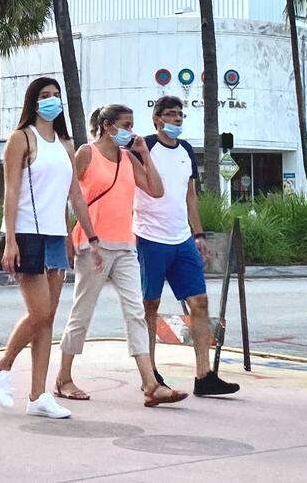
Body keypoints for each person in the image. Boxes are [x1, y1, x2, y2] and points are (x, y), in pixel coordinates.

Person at [54, 104, 188, 408]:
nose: (131, 130)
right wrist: (86, 237)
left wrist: (144, 153)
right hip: (93, 246)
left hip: (126, 245)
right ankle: (63, 378)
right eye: (126, 124)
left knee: (136, 312)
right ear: (107, 125)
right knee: (82, 313)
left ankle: (150, 384)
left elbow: (156, 190)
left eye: (132, 124)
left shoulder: (129, 157)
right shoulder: (86, 153)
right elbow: (71, 197)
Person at [0, 77, 103, 420]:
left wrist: (92, 239)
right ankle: (1, 366)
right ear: (33, 102)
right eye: (45, 96)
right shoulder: (21, 139)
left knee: (49, 317)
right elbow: (10, 191)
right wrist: (9, 240)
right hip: (25, 233)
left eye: (56, 95)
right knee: (38, 313)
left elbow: (76, 196)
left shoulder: (66, 145)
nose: (52, 101)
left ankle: (38, 395)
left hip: (55, 235)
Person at [137, 96, 240, 397]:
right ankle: (151, 373)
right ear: (156, 119)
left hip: (182, 239)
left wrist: (198, 234)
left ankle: (204, 375)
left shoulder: (185, 150)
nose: (176, 120)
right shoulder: (143, 147)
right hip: (149, 237)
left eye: (180, 115)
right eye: (170, 115)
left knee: (200, 303)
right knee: (149, 306)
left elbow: (190, 196)